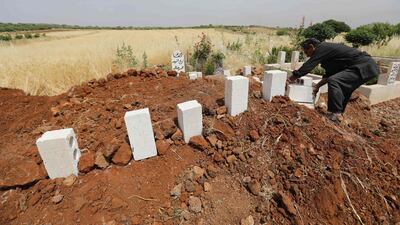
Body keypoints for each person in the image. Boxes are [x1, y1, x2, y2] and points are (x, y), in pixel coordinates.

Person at [289, 38, 379, 123]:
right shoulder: (328, 52)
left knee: (335, 81)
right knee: (344, 87)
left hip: (363, 65)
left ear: (312, 46)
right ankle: (338, 114)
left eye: (306, 51)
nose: (307, 55)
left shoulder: (321, 48)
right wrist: (317, 86)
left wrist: (290, 79)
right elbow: (330, 73)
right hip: (368, 67)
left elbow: (308, 65)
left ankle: (335, 114)